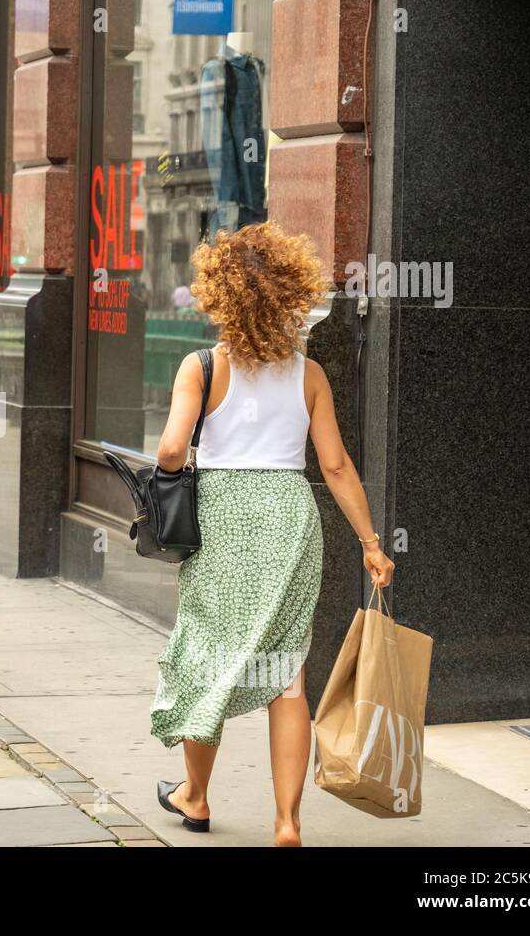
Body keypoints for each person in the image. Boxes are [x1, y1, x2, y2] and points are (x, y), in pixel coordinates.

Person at [149, 221, 394, 847]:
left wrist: (173, 465)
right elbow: (335, 466)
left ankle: (196, 796)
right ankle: (287, 822)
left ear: (219, 295)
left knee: (208, 657)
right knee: (288, 674)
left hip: (225, 517)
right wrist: (370, 542)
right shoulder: (308, 375)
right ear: (288, 295)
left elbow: (173, 448)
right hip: (290, 514)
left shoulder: (201, 367)